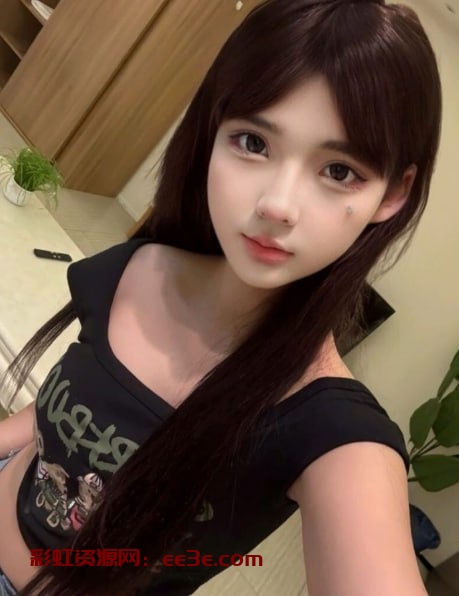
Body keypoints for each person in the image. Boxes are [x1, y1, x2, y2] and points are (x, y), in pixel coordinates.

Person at [0, 0, 442, 594]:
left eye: (339, 171)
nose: (277, 205)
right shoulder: (136, 269)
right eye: (253, 142)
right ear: (213, 130)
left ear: (392, 194)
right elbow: (54, 417)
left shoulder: (328, 430)